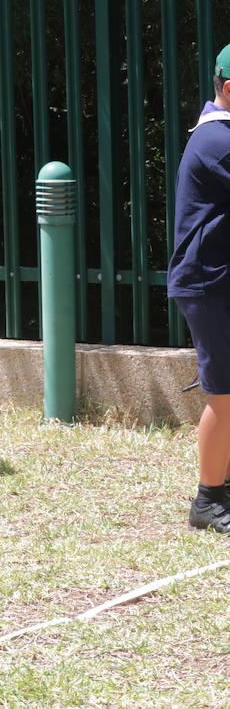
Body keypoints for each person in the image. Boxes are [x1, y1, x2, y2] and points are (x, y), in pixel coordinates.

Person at [168, 43, 230, 534]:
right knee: (223, 393)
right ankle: (207, 501)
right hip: (208, 283)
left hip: (217, 279)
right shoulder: (217, 141)